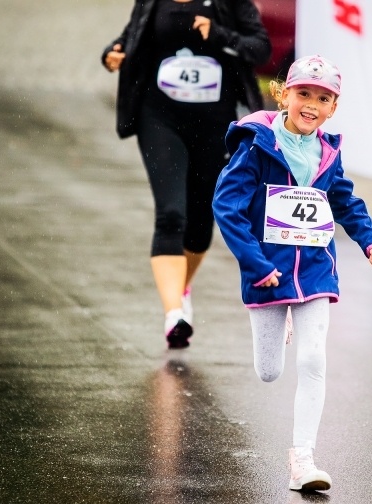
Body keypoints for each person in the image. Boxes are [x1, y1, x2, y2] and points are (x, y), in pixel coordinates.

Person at [212, 55, 372, 491]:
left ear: (333, 108)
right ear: (283, 95)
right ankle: (282, 309)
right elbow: (227, 208)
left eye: (323, 98)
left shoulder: (328, 153)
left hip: (314, 269)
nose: (311, 104)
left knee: (313, 360)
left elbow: (345, 201)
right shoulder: (256, 146)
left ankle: (302, 459)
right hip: (267, 270)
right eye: (303, 94)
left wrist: (371, 240)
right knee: (269, 371)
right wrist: (255, 264)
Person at [101, 0, 271, 349]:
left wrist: (219, 34)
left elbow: (260, 48)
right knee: (171, 214)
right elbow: (131, 37)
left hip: (215, 124)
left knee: (199, 224)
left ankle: (181, 286)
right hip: (160, 118)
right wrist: (112, 53)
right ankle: (174, 313)